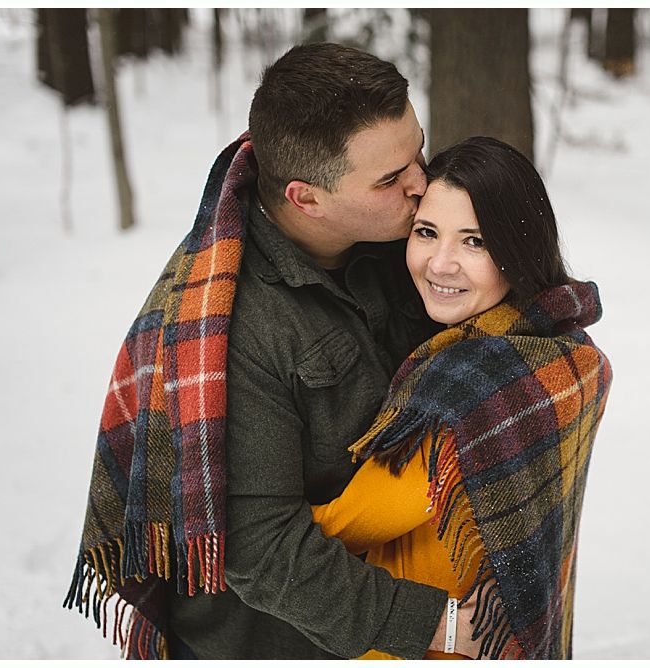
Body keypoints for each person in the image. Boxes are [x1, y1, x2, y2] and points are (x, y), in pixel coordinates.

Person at [65, 43, 478, 659]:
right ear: (305, 197)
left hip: (405, 566)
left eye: (416, 149)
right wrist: (438, 625)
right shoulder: (234, 330)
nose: (422, 183)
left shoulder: (398, 233)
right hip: (275, 639)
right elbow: (260, 549)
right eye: (391, 178)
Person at [310, 137, 613, 660]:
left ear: (518, 250)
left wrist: (246, 518)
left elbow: (350, 522)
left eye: (474, 242)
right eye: (426, 232)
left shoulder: (477, 387)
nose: (441, 264)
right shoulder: (567, 351)